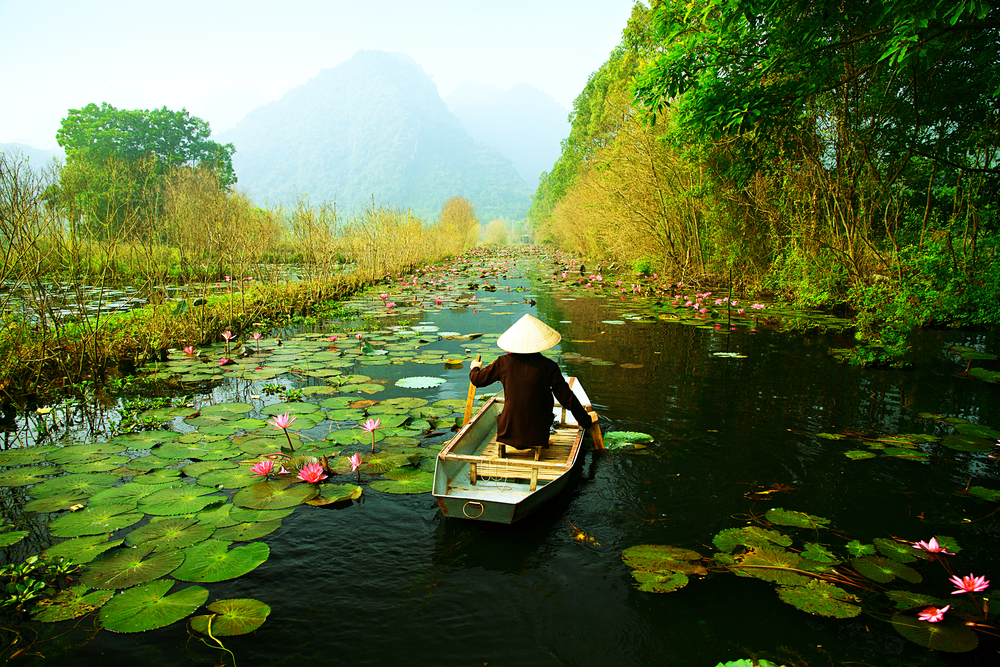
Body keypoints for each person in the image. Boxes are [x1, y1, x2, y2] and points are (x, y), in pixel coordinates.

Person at [469, 314, 598, 457]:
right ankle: (543, 439)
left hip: (508, 431)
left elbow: (477, 380)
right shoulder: (549, 366)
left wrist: (475, 367)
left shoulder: (503, 362)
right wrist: (585, 421)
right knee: (547, 399)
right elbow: (566, 398)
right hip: (537, 433)